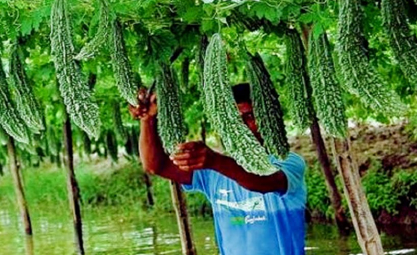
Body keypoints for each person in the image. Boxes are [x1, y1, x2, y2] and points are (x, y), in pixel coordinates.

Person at [129, 83, 307, 255]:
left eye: (249, 117)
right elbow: (155, 165)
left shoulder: (289, 162)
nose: (242, 127)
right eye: (235, 121)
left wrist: (215, 161)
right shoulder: (213, 173)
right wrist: (147, 119)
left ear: (267, 120)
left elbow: (263, 182)